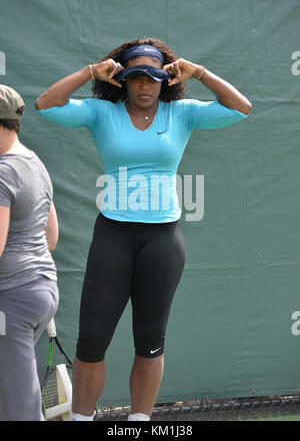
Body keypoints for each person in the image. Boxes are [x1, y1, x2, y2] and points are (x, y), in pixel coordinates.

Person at [35, 37, 252, 422]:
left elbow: (241, 107)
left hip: (163, 241)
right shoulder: (103, 112)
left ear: (165, 80)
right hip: (113, 238)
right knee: (91, 344)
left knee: (150, 344)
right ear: (123, 79)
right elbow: (45, 104)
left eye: (154, 77)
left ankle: (140, 424)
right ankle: (82, 418)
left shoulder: (182, 113)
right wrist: (91, 71)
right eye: (136, 77)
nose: (146, 86)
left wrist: (198, 71)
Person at [0, 84, 59, 421]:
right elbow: (51, 237)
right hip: (41, 290)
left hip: (13, 300)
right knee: (10, 396)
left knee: (20, 407)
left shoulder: (3, 171)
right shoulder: (35, 163)